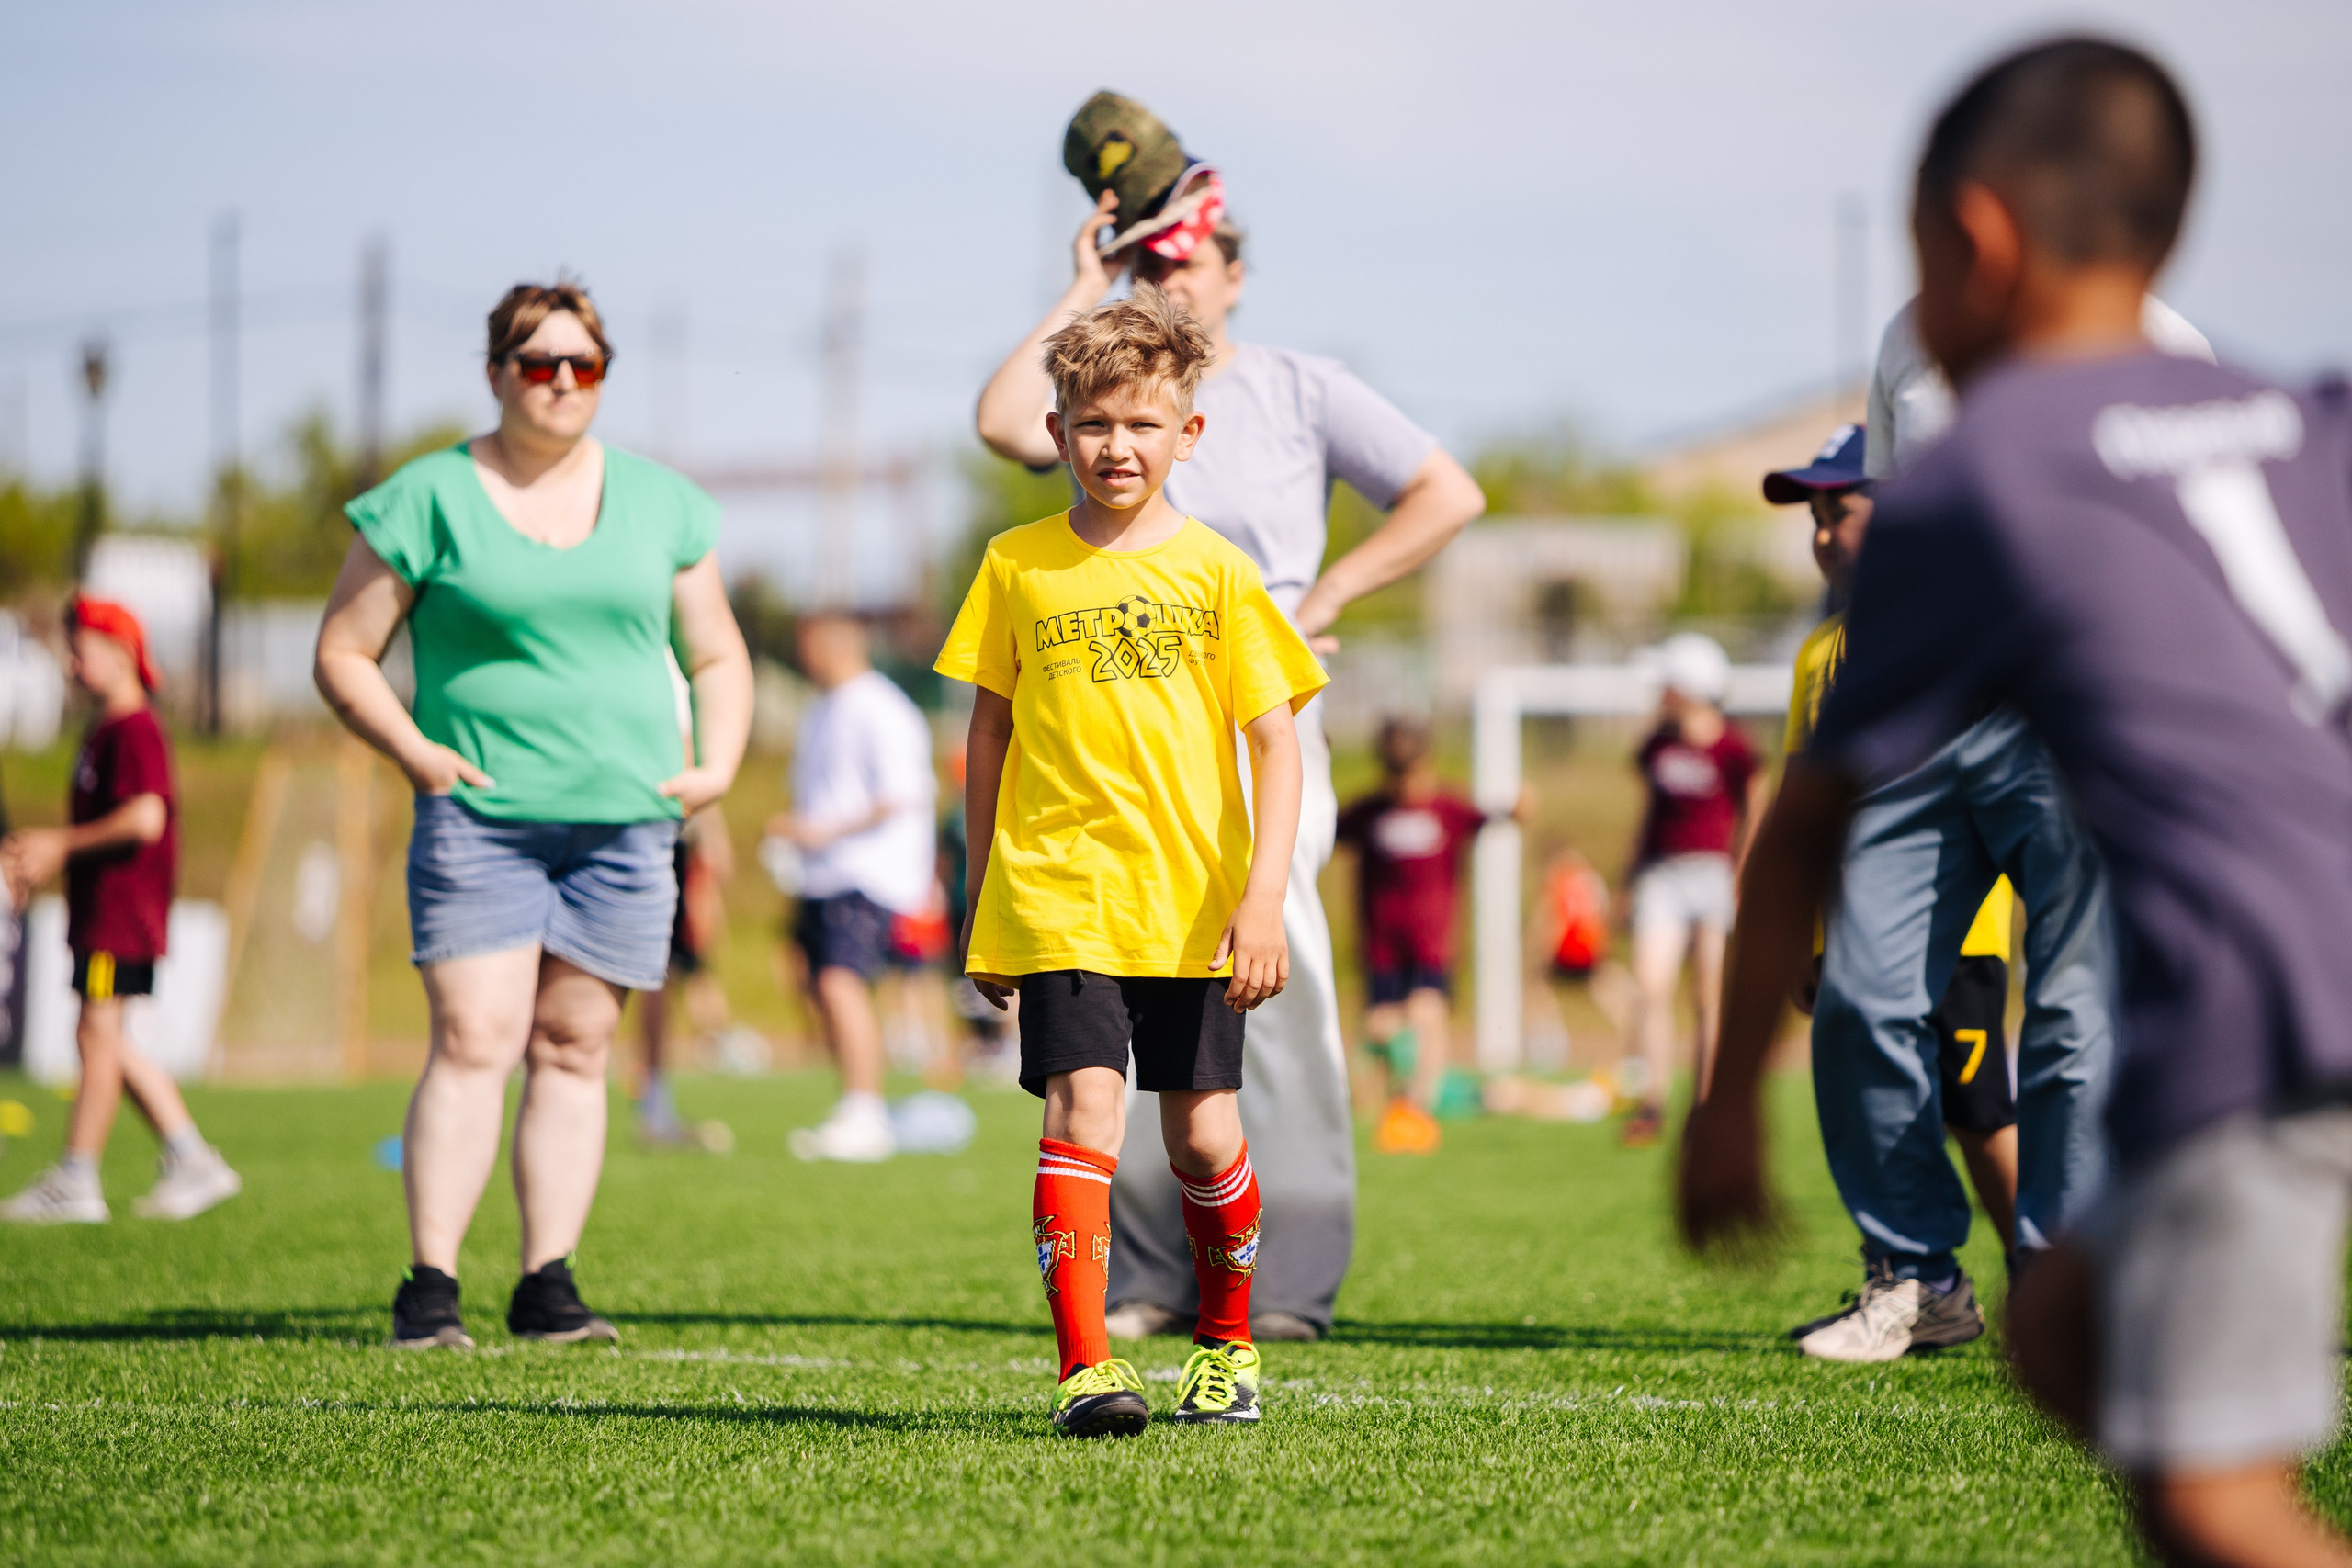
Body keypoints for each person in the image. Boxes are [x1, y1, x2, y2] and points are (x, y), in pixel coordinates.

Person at [1685, 37, 2352, 1567]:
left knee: (2214, 1500)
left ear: (1972, 238)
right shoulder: (2298, 413)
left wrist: (1725, 1110)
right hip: (2312, 945)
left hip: (2255, 1005)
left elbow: (1805, 815)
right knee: (2068, 1347)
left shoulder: (1991, 471)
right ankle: (1958, 1274)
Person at [976, 91, 1485, 1341]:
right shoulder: (1109, 391)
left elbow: (1446, 490)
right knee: (1128, 1008)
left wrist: (1326, 596)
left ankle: (1291, 1275)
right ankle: (1150, 1273)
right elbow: (999, 424)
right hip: (1109, 738)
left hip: (1251, 724)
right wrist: (1085, 284)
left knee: (1271, 979)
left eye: (1184, 258)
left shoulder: (1299, 388)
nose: (1168, 279)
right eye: (1147, 260)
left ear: (1237, 269)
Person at [314, 280, 752, 1350]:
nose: (561, 382)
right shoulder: (427, 496)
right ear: (496, 372)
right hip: (482, 816)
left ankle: (546, 1283)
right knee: (476, 1037)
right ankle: (430, 1286)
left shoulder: (661, 502)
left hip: (625, 820)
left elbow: (717, 651)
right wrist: (416, 754)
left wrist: (719, 766)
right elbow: (341, 652)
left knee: (573, 1043)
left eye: (583, 365)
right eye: (537, 362)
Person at [939, 284, 1326, 1437]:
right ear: (1056, 432)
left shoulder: (1219, 574)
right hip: (1061, 896)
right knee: (1082, 1113)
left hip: (1197, 908)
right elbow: (986, 741)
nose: (1118, 445)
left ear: (1187, 434)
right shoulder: (1015, 565)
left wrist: (1263, 902)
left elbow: (1277, 749)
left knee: (1203, 1133)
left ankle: (1226, 1343)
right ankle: (1086, 1370)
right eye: (1094, 423)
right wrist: (981, 898)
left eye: (1143, 424)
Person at [1765, 425, 2023, 1278]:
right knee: (1881, 1100)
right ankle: (1918, 1279)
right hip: (1855, 937)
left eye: (1841, 509)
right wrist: (1808, 935)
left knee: (1977, 1110)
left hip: (1954, 936)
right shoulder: (1817, 656)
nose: (1821, 533)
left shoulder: (1966, 641)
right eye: (1813, 515)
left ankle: (2048, 1279)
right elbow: (1807, 811)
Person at [0, 596, 241, 1224]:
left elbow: (145, 816)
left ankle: (78, 1175)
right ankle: (190, 1155)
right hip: (103, 912)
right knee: (104, 1036)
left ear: (122, 653)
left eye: (81, 653)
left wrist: (60, 845)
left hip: (121, 914)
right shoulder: (104, 728)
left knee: (96, 1032)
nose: (72, 667)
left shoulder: (135, 728)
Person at [773, 612, 937, 1162]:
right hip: (822, 873)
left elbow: (902, 793)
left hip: (866, 872)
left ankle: (865, 1111)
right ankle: (853, 1103)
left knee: (843, 983)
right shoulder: (823, 708)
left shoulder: (880, 707)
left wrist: (823, 830)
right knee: (820, 986)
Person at [1617, 632, 1762, 1147]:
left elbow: (1754, 812)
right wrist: (1628, 875)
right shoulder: (1656, 744)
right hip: (1663, 875)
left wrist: (1743, 878)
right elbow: (1647, 814)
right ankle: (1652, 1100)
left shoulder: (1733, 747)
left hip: (1714, 877)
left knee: (1707, 995)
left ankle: (1705, 1105)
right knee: (1650, 986)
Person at [1332, 716, 1490, 1155]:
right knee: (1380, 1030)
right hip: (1381, 947)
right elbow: (1322, 829)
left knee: (1426, 1017)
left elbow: (1489, 815)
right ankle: (1392, 1103)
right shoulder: (1369, 813)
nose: (1404, 784)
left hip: (1431, 946)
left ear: (1428, 763)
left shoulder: (1448, 809)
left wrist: (1517, 807)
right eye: (1394, 774)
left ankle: (1417, 1111)